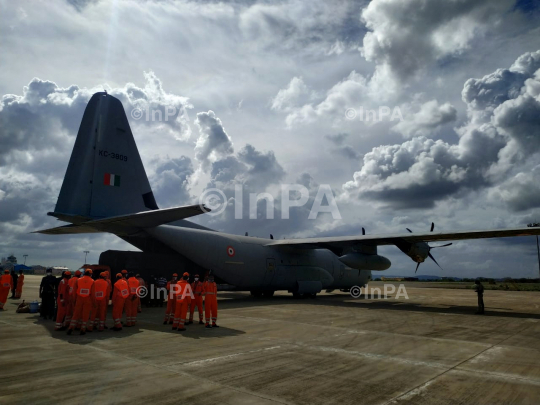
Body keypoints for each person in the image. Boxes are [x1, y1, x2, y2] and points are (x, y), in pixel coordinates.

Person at [67, 269, 95, 335]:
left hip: (79, 299)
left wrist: (74, 300)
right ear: (90, 274)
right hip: (87, 299)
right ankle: (83, 329)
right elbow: (93, 294)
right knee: (86, 314)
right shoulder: (92, 281)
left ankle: (71, 328)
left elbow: (74, 291)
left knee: (76, 314)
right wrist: (94, 302)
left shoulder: (78, 280)